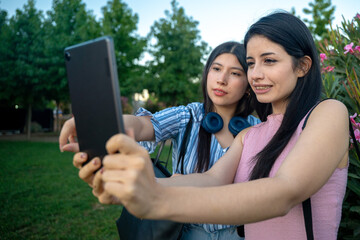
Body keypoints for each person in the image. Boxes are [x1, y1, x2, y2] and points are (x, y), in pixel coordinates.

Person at [90, 11, 349, 240]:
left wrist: (158, 200)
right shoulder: (250, 134)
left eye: (269, 60)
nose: (255, 74)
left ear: (302, 66)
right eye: (250, 63)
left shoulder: (327, 113)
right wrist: (137, 187)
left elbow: (284, 191)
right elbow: (212, 180)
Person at [60, 41, 261, 239]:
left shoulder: (257, 129)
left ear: (248, 85)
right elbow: (141, 125)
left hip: (240, 234)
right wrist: (98, 123)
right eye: (216, 69)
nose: (222, 79)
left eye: (235, 73)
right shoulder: (187, 116)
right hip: (186, 232)